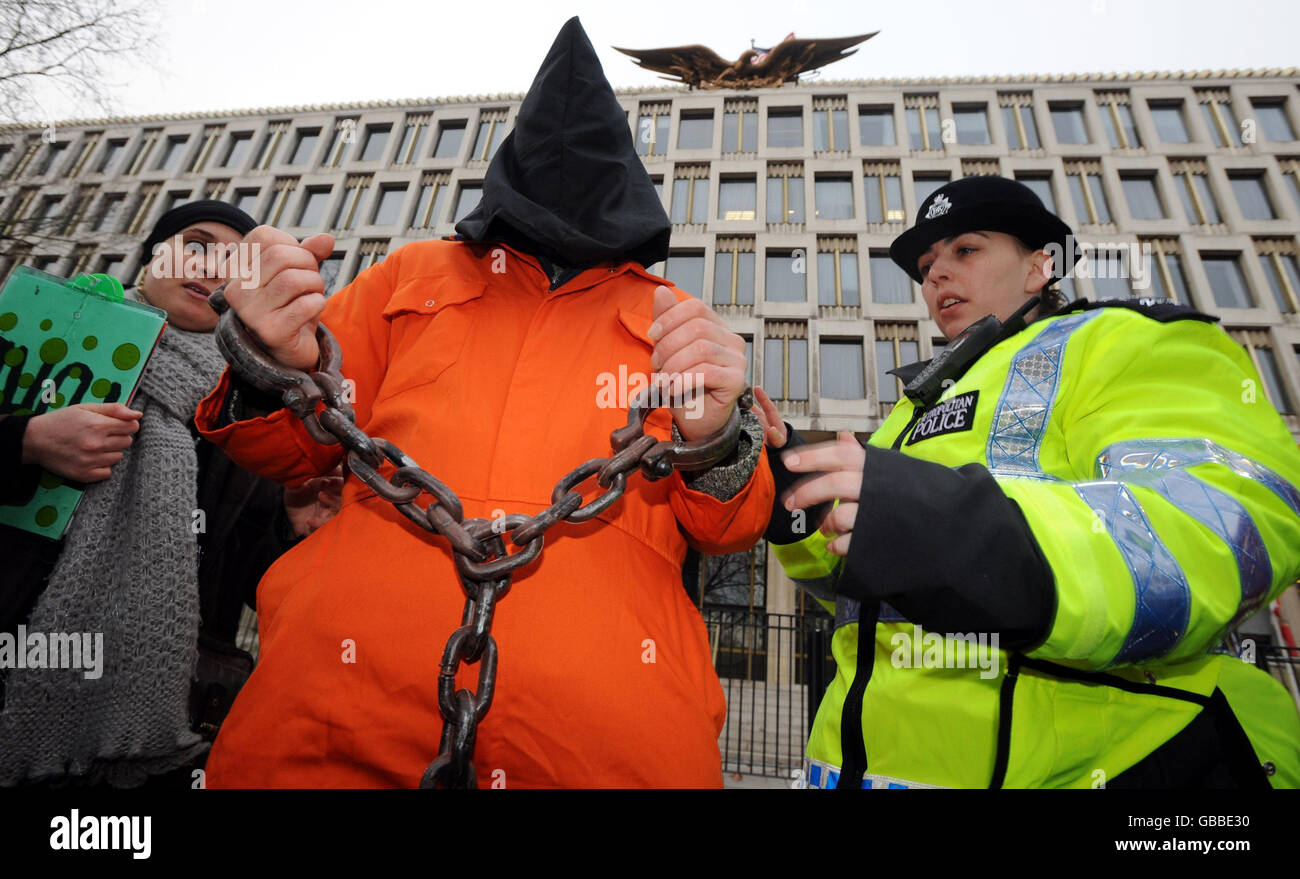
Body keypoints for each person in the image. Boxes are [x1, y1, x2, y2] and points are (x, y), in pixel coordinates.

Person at [193, 18, 772, 788]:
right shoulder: (410, 278)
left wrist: (718, 440)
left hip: (604, 745)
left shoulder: (677, 321)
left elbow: (731, 526)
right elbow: (284, 448)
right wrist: (269, 361)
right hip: (332, 718)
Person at [756, 175, 1300, 788]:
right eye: (928, 264)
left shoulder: (1124, 340)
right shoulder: (913, 409)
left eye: (965, 249)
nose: (935, 275)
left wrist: (955, 535)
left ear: (1041, 265)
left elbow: (1219, 520)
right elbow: (859, 595)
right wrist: (787, 489)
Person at [0, 200, 341, 787]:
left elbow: (246, 590)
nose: (210, 267)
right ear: (153, 254)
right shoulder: (48, 333)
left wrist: (293, 528)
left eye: (234, 263)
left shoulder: (251, 418)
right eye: (196, 243)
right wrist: (24, 442)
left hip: (152, 730)